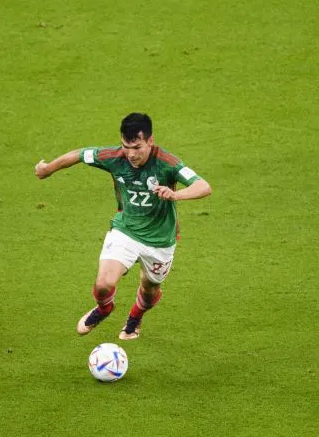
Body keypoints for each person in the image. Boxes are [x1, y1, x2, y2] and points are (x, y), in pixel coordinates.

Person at [34, 113, 212, 340]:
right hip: (125, 230)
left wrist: (175, 194)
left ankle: (135, 317)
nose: (130, 154)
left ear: (150, 141)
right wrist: (48, 169)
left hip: (160, 241)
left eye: (137, 147)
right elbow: (79, 154)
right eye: (126, 146)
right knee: (103, 285)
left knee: (149, 291)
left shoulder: (167, 163)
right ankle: (104, 309)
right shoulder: (114, 157)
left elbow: (203, 186)